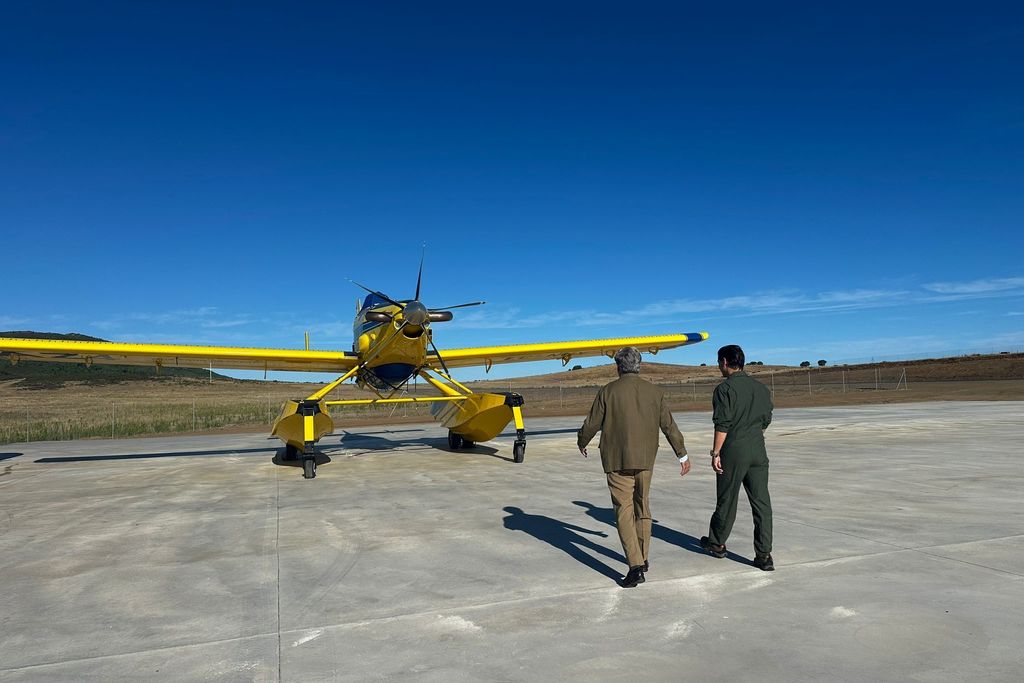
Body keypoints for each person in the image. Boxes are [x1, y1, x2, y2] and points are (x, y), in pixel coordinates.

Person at [578, 346, 690, 588]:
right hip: (646, 460)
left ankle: (636, 566)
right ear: (639, 365)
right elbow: (669, 425)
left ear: (618, 366)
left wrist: (582, 441)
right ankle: (643, 556)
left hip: (617, 460)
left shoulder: (608, 392)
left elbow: (592, 423)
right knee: (643, 506)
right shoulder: (654, 392)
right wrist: (682, 454)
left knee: (624, 510)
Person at [700, 344, 775, 571]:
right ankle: (764, 554)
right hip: (757, 449)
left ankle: (718, 542)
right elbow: (766, 419)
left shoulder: (724, 390)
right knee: (761, 502)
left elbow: (722, 424)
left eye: (718, 361)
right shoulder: (761, 388)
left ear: (724, 362)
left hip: (733, 449)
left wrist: (716, 453)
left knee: (727, 498)